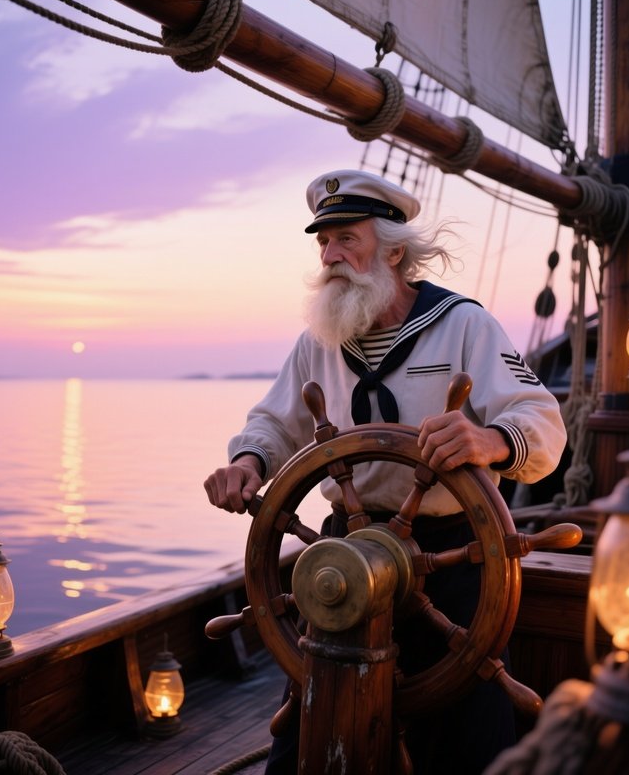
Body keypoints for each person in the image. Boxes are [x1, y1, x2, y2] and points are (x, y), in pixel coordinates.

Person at [203, 169, 567, 774]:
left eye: (347, 238)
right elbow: (274, 422)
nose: (330, 255)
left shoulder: (464, 325)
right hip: (344, 553)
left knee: (468, 732)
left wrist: (490, 439)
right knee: (312, 726)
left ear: (395, 250)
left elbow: (543, 422)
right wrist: (246, 462)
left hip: (455, 559)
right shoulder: (318, 341)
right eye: (323, 242)